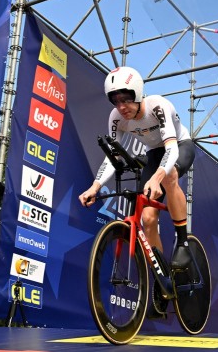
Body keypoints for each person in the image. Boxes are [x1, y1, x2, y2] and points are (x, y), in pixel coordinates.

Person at [78, 66, 195, 316]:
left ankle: (183, 242)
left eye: (126, 98)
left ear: (138, 93)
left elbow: (172, 151)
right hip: (154, 154)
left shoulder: (158, 106)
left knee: (170, 175)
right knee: (148, 219)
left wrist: (158, 176)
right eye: (116, 101)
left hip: (179, 145)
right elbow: (112, 158)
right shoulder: (116, 119)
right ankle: (163, 277)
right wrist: (95, 186)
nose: (122, 106)